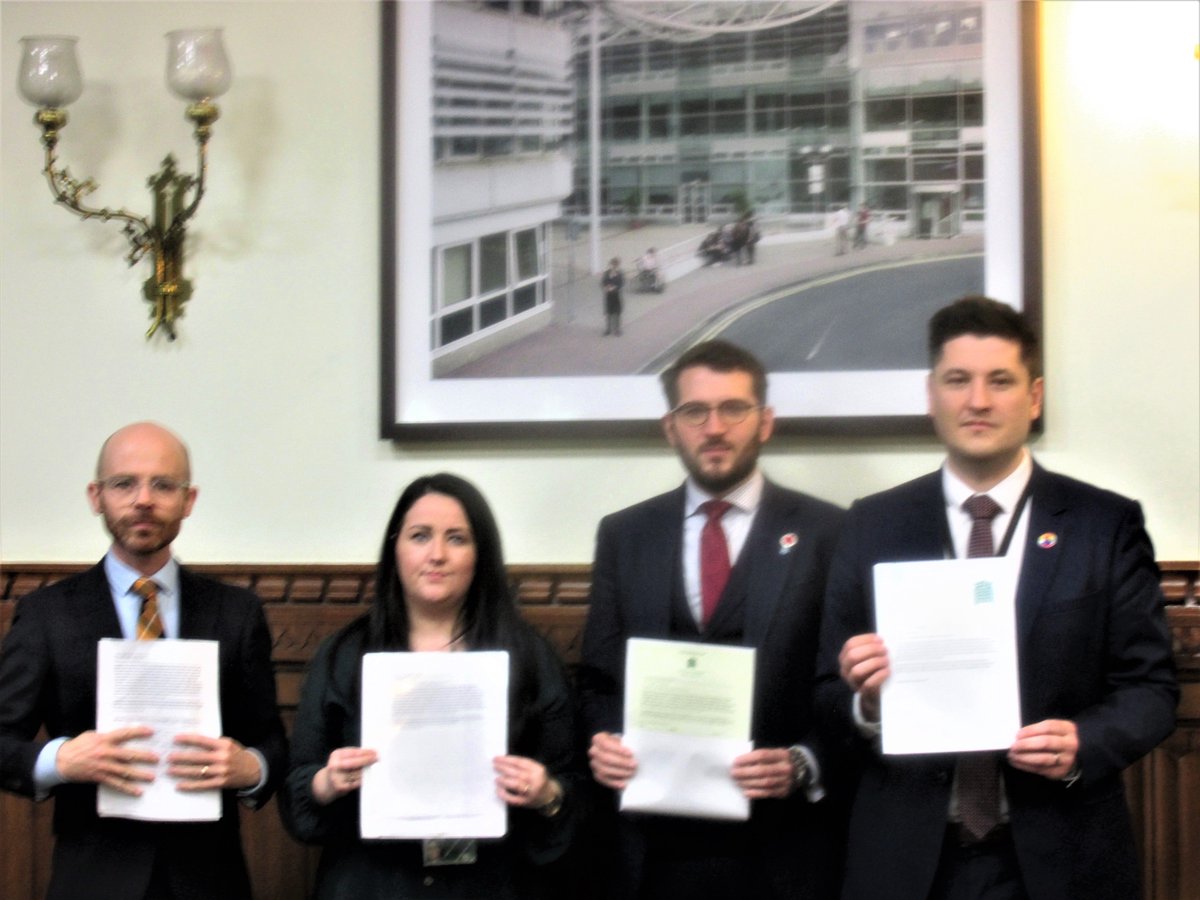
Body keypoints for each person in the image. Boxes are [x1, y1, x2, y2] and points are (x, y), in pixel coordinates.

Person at [816, 296, 1178, 900]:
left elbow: (1152, 689)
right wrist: (867, 704)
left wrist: (1084, 741)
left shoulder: (1103, 523)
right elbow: (825, 692)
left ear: (1034, 397)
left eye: (1000, 381)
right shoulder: (872, 525)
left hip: (1063, 858)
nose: (978, 400)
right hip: (905, 863)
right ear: (931, 395)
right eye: (958, 380)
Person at [578, 340, 846, 900]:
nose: (715, 427)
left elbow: (842, 688)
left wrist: (804, 762)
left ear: (765, 422)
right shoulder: (624, 535)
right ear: (670, 428)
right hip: (650, 852)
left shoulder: (828, 533)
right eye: (695, 411)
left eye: (734, 409)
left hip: (782, 848)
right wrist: (602, 741)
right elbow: (598, 681)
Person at [0, 422, 286, 900]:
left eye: (163, 485)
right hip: (92, 880)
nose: (144, 500)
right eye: (124, 484)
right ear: (96, 496)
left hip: (210, 880)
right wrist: (60, 759)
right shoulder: (46, 615)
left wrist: (251, 768)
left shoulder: (237, 612)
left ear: (189, 500)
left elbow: (272, 741)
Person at [280, 473, 584, 899]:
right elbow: (297, 793)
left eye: (456, 538)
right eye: (420, 536)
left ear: (481, 553)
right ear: (395, 548)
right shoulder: (345, 654)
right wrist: (327, 782)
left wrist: (546, 793)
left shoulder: (529, 656)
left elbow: (573, 791)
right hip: (372, 883)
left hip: (491, 882)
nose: (437, 554)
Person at [601, 257, 624, 336]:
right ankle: (608, 329)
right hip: (608, 296)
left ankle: (617, 329)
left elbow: (621, 284)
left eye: (615, 265)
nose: (613, 267)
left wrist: (614, 288)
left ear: (617, 266)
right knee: (608, 313)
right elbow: (603, 282)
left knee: (617, 313)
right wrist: (605, 287)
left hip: (616, 296)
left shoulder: (619, 274)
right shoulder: (607, 273)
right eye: (612, 265)